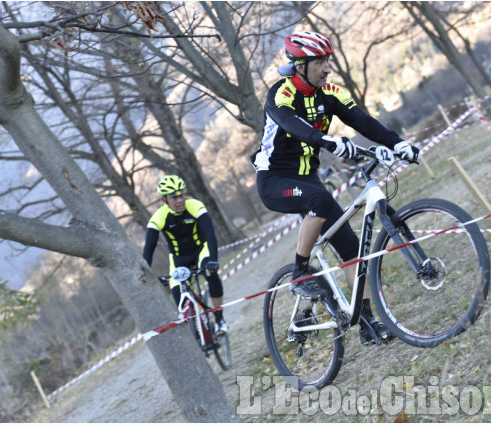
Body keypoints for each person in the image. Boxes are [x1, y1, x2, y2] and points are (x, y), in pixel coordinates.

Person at [250, 31, 420, 345]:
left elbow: (363, 121)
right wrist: (330, 142)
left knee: (351, 249)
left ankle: (368, 324)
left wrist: (398, 143)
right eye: (319, 61)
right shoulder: (281, 94)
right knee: (320, 198)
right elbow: (295, 127)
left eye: (328, 60)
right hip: (275, 180)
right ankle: (300, 271)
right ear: (300, 65)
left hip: (308, 177)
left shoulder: (329, 92)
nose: (327, 68)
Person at [143, 175, 228, 335]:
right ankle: (197, 332)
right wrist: (149, 275)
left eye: (182, 195)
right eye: (174, 197)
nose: (180, 200)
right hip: (178, 258)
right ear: (164, 200)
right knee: (176, 293)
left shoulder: (195, 205)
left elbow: (210, 235)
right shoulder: (159, 217)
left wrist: (213, 261)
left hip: (200, 251)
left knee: (211, 274)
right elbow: (149, 249)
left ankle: (219, 320)